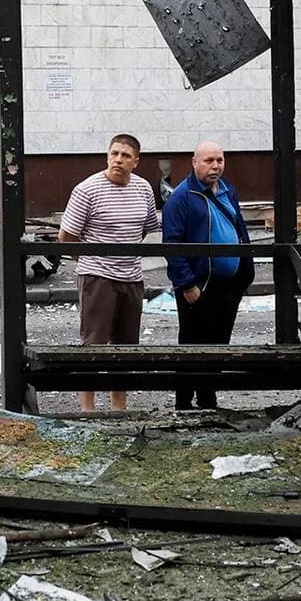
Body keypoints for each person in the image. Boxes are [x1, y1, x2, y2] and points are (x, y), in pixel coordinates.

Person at [60, 133, 161, 413]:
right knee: (94, 343)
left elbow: (146, 228)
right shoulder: (87, 190)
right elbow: (67, 236)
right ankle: (87, 410)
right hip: (97, 274)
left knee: (126, 346)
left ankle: (119, 408)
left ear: (136, 162)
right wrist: (87, 260)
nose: (118, 160)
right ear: (107, 156)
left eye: (125, 155)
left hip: (131, 276)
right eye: (114, 153)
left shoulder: (143, 190)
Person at [162, 141, 254, 410]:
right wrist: (187, 284)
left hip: (229, 284)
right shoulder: (181, 197)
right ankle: (184, 403)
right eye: (209, 161)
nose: (215, 166)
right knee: (192, 345)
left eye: (220, 160)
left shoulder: (227, 190)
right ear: (194, 162)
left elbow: (239, 228)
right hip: (199, 285)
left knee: (219, 344)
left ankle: (208, 400)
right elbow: (172, 244)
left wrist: (245, 272)